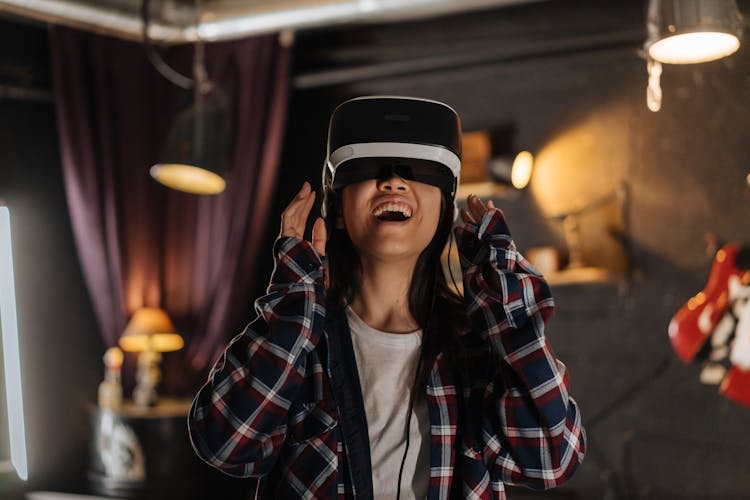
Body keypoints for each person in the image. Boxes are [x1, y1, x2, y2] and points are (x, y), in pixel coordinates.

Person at [188, 96, 586, 499]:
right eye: (369, 168)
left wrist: (503, 298)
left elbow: (551, 459)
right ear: (339, 208)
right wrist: (294, 307)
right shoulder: (299, 342)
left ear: (444, 210)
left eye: (418, 171)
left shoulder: (476, 346)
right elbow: (224, 444)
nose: (394, 182)